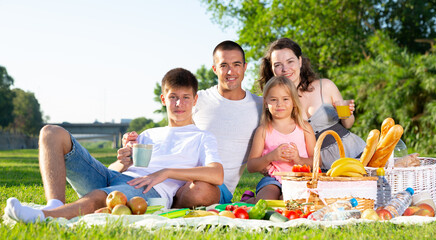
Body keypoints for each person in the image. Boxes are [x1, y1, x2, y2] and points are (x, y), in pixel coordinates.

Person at [5, 68, 223, 223]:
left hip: (148, 190)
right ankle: (54, 205)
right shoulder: (148, 134)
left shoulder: (202, 137)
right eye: (173, 97)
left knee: (104, 196)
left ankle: (44, 218)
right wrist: (123, 162)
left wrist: (165, 173)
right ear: (163, 99)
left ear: (195, 100)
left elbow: (217, 174)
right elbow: (115, 171)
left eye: (186, 97)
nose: (179, 104)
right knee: (50, 132)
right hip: (115, 177)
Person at [122, 40, 262, 207]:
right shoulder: (198, 99)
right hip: (174, 176)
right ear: (215, 69)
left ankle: (164, 203)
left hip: (212, 183)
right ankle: (159, 200)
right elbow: (172, 130)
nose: (230, 71)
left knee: (199, 191)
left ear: (245, 67)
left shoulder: (260, 106)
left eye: (236, 64)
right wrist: (133, 142)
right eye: (224, 65)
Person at [258, 38, 366, 170]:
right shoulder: (275, 103)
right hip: (317, 166)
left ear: (300, 61)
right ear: (272, 68)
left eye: (290, 61)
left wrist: (346, 113)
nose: (285, 69)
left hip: (353, 153)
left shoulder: (325, 86)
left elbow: (348, 124)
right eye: (278, 65)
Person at [245, 76, 316, 203]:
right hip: (272, 179)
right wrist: (270, 157)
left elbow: (317, 162)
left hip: (299, 179)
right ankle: (249, 200)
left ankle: (278, 199)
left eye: (285, 99)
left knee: (291, 203)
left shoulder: (305, 128)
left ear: (294, 102)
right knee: (266, 203)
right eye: (273, 99)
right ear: (266, 103)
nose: (279, 104)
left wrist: (298, 159)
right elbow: (251, 166)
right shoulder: (263, 131)